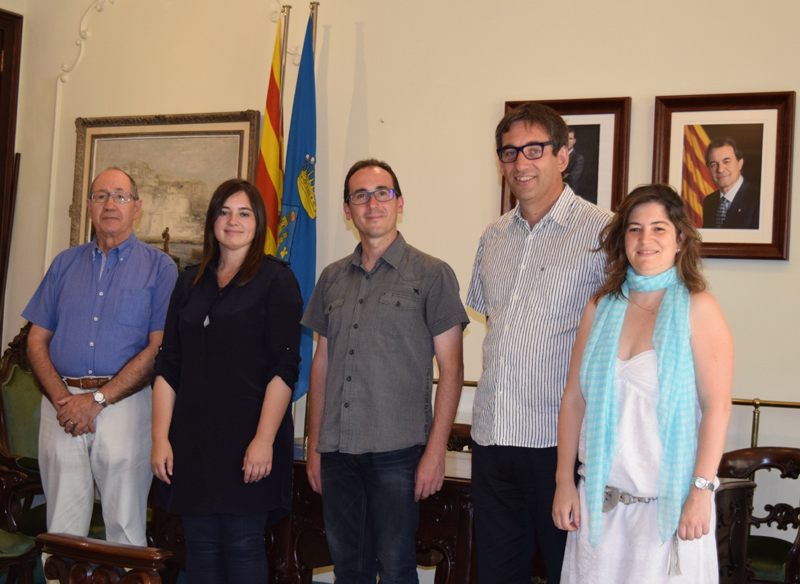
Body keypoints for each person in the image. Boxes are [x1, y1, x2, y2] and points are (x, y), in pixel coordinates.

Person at [553, 184, 733, 583]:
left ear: (680, 238)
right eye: (634, 229)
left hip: (668, 511)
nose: (645, 239)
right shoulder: (600, 307)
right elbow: (573, 401)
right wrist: (564, 481)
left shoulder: (700, 307)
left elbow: (717, 407)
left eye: (658, 228)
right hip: (599, 511)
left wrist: (702, 491)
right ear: (622, 239)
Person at [302, 159, 469, 584]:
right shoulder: (331, 278)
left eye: (382, 193)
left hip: (399, 452)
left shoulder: (432, 274)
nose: (371, 202)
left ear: (398, 204)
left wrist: (435, 453)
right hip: (337, 451)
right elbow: (322, 361)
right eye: (360, 195)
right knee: (348, 570)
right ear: (347, 210)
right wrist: (314, 444)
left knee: (396, 570)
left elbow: (451, 370)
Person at [466, 103, 610, 584]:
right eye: (509, 152)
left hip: (559, 445)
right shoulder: (493, 237)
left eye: (534, 149)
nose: (520, 163)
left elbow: (617, 339)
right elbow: (497, 325)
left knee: (566, 573)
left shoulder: (603, 233)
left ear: (563, 156)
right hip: (492, 437)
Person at [151, 178, 302, 583]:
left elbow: (284, 367)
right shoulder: (188, 282)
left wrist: (264, 440)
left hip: (249, 440)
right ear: (212, 221)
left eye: (244, 213)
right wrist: (160, 438)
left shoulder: (277, 281)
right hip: (192, 442)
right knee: (199, 550)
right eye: (224, 211)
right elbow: (169, 364)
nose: (233, 221)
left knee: (242, 546)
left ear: (258, 222)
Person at [23, 167, 178, 546]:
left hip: (125, 408)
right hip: (61, 409)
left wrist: (95, 401)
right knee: (61, 528)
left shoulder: (161, 268)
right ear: (89, 205)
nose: (110, 204)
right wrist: (65, 401)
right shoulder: (63, 263)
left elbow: (159, 348)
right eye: (101, 195)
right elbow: (35, 341)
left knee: (124, 528)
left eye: (120, 196)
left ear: (137, 207)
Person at [701, 136, 760, 229]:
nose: (720, 170)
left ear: (739, 163)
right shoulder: (709, 202)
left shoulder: (758, 200)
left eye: (726, 161)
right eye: (714, 164)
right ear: (709, 169)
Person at [564, 127, 585, 191]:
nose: (568, 141)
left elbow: (571, 180)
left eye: (570, 138)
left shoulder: (578, 158)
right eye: (566, 138)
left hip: (570, 193)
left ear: (574, 141)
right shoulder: (556, 156)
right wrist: (564, 176)